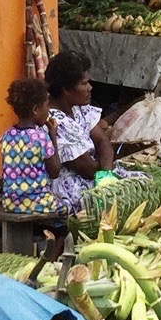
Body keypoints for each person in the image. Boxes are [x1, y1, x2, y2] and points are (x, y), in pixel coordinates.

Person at [46, 50, 119, 212]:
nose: (90, 88)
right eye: (84, 83)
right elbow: (87, 168)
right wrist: (103, 174)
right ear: (66, 89)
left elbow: (102, 141)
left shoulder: (79, 109)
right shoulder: (53, 121)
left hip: (96, 174)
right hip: (71, 186)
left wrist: (106, 174)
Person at [0, 77, 63, 216]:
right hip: (39, 203)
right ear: (35, 109)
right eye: (46, 105)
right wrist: (53, 135)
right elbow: (55, 171)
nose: (49, 110)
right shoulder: (40, 137)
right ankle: (57, 237)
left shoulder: (6, 137)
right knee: (69, 206)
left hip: (11, 204)